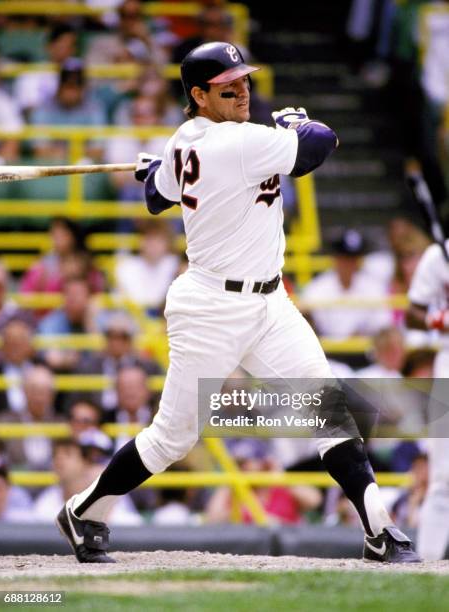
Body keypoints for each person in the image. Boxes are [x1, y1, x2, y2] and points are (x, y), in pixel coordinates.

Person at [56, 41, 419, 563]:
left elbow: (157, 198)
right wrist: (295, 118)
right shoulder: (241, 142)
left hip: (270, 304)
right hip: (209, 309)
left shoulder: (188, 138)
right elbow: (321, 142)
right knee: (170, 439)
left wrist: (163, 168)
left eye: (245, 80)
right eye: (229, 86)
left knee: (330, 412)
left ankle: (380, 529)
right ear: (200, 95)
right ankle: (84, 510)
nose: (243, 90)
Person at [406, 237, 449, 560]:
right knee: (443, 477)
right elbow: (412, 312)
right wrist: (440, 319)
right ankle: (427, 564)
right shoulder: (439, 254)